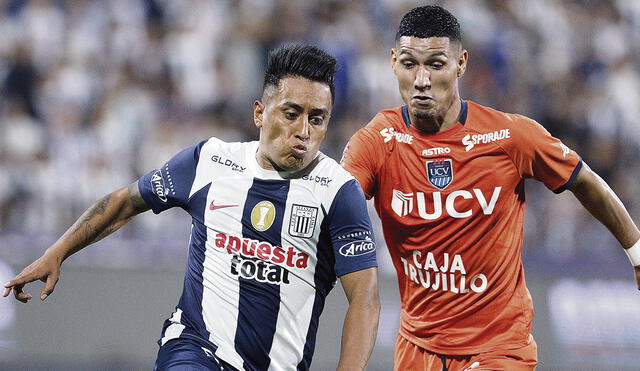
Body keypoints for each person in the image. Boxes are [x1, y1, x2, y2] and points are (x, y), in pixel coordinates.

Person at [4, 44, 380, 371]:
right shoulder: (210, 161)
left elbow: (365, 297)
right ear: (259, 113)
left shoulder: (338, 193)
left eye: (317, 119)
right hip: (195, 348)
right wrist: (57, 252)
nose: (304, 130)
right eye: (291, 112)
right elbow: (123, 203)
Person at [341, 5, 640, 371]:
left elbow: (585, 181)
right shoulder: (377, 140)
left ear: (461, 63)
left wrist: (636, 251)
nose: (421, 80)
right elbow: (338, 203)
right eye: (409, 64)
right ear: (392, 62)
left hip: (499, 349)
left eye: (436, 64)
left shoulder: (510, 136)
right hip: (418, 347)